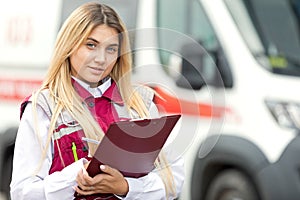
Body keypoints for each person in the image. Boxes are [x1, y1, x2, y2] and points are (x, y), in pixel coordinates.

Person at [10, 2, 184, 200]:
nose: (101, 59)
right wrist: (75, 177)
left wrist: (125, 187)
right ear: (70, 45)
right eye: (91, 45)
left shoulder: (141, 104)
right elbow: (22, 193)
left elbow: (174, 180)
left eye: (111, 49)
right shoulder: (43, 107)